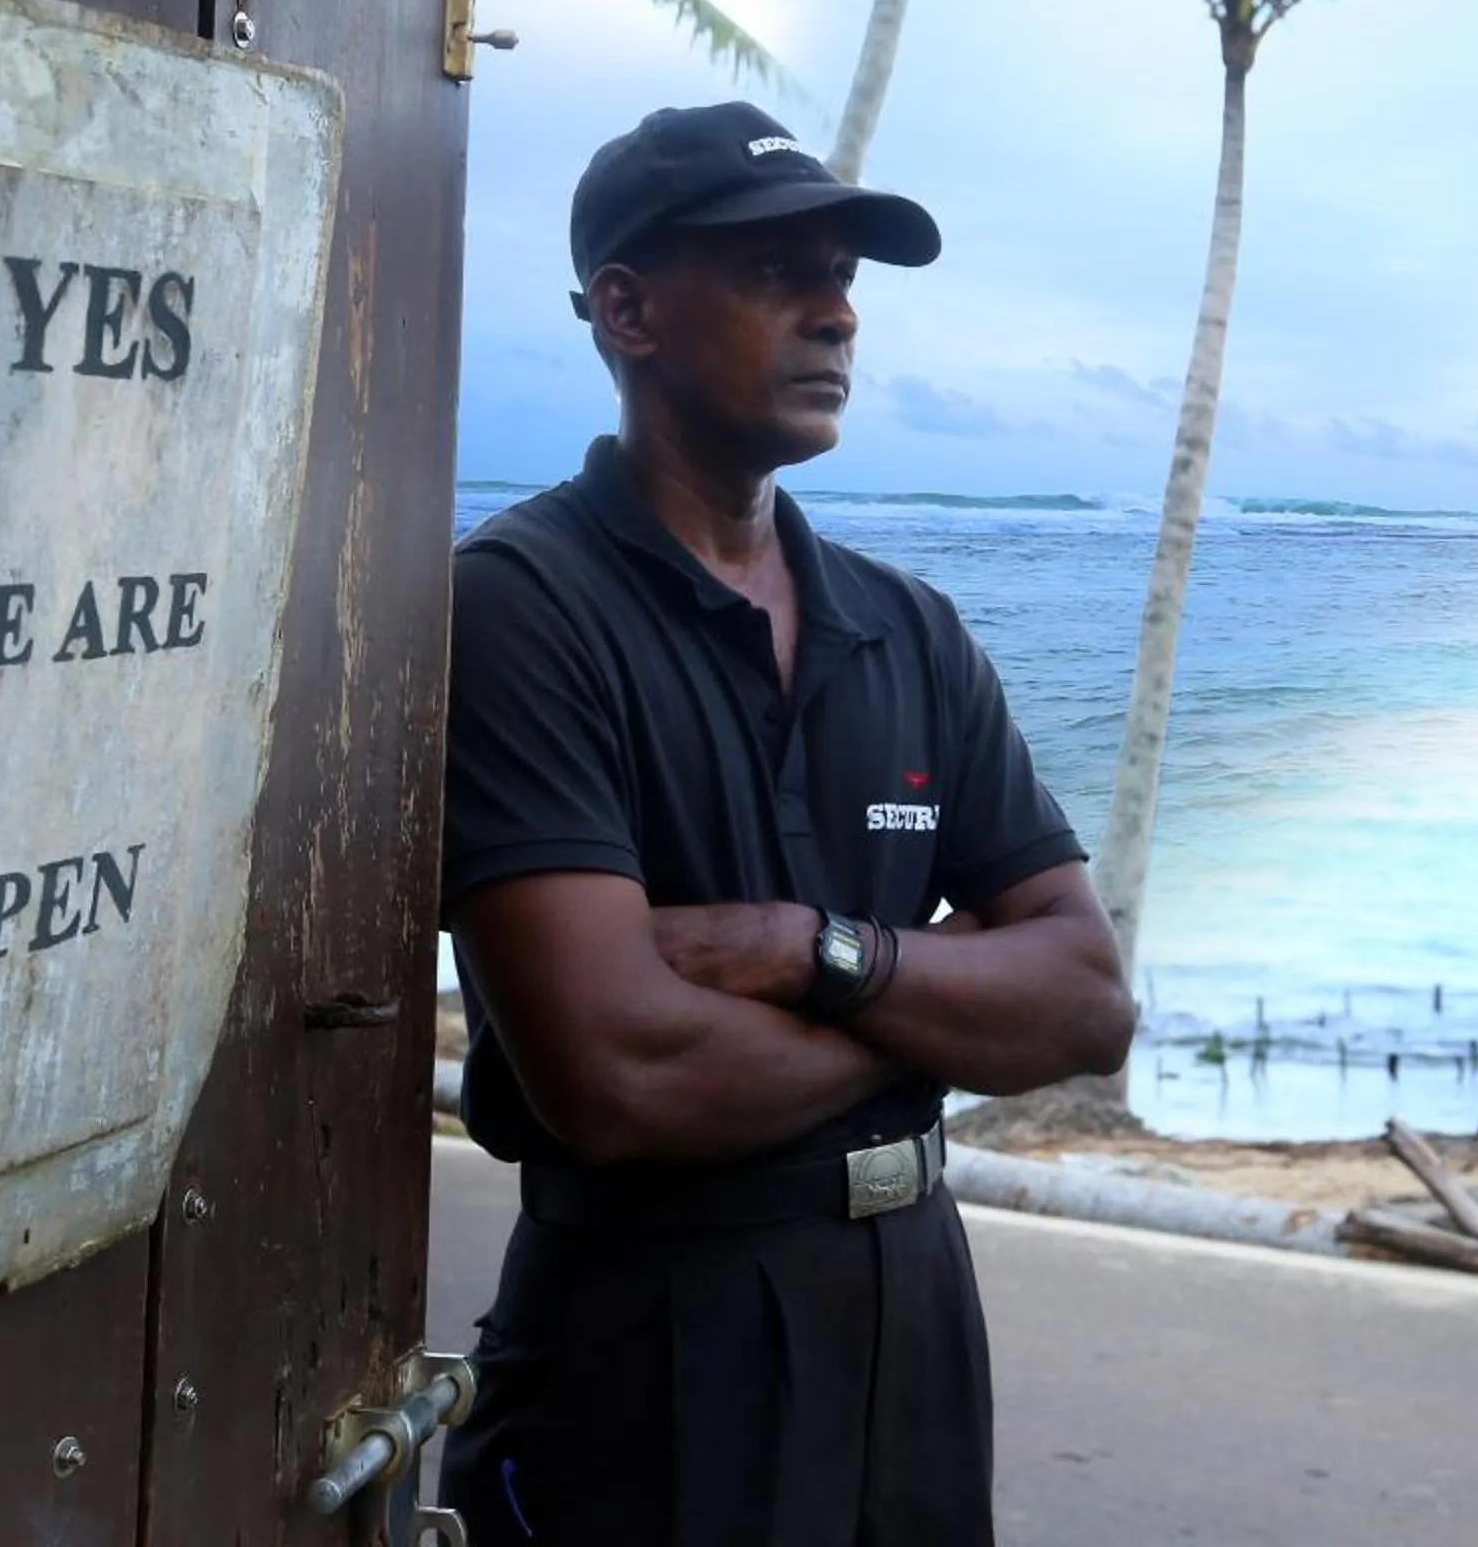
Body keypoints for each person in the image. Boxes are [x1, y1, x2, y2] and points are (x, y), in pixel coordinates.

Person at [434, 102, 1136, 1545]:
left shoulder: (905, 628)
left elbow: (1083, 1000)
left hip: (916, 1317)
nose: (836, 317)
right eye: (776, 275)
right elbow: (618, 1073)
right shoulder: (520, 608)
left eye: (845, 281)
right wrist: (937, 995)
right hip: (649, 1336)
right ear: (625, 311)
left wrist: (806, 950)